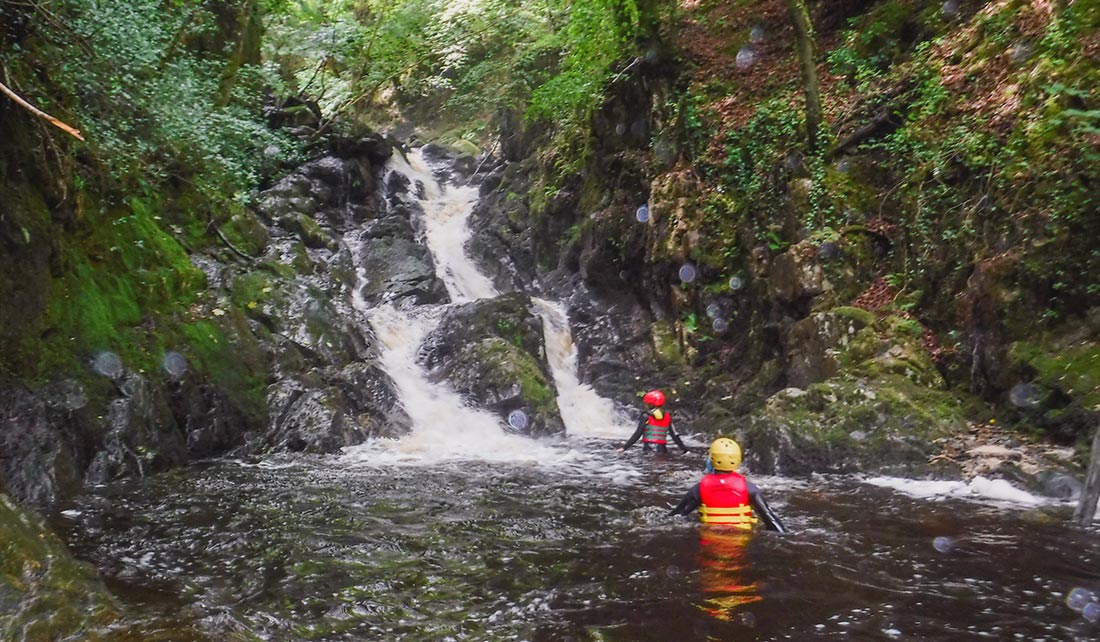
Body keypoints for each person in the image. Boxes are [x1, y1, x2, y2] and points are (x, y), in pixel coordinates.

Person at [669, 437, 785, 532]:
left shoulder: (699, 489)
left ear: (712, 460)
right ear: (738, 460)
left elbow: (677, 516)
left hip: (709, 539)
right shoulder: (750, 489)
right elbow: (770, 519)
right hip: (741, 539)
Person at [618, 389, 689, 454]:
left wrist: (624, 448)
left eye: (646, 403)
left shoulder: (645, 416)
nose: (645, 405)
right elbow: (675, 436)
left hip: (649, 449)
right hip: (662, 449)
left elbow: (637, 434)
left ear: (650, 404)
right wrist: (685, 449)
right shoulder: (667, 417)